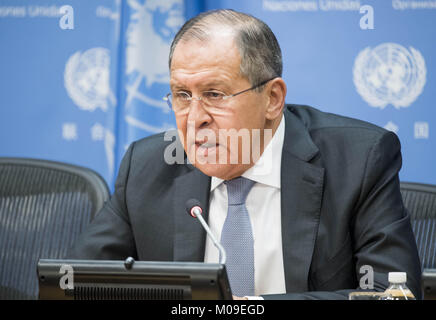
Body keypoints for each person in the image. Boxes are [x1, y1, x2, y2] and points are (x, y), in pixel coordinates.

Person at [67, 9, 422, 300]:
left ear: (272, 99)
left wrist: (249, 310)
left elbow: (393, 294)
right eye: (181, 95)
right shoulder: (147, 166)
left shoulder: (358, 159)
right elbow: (74, 286)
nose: (195, 118)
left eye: (215, 94)